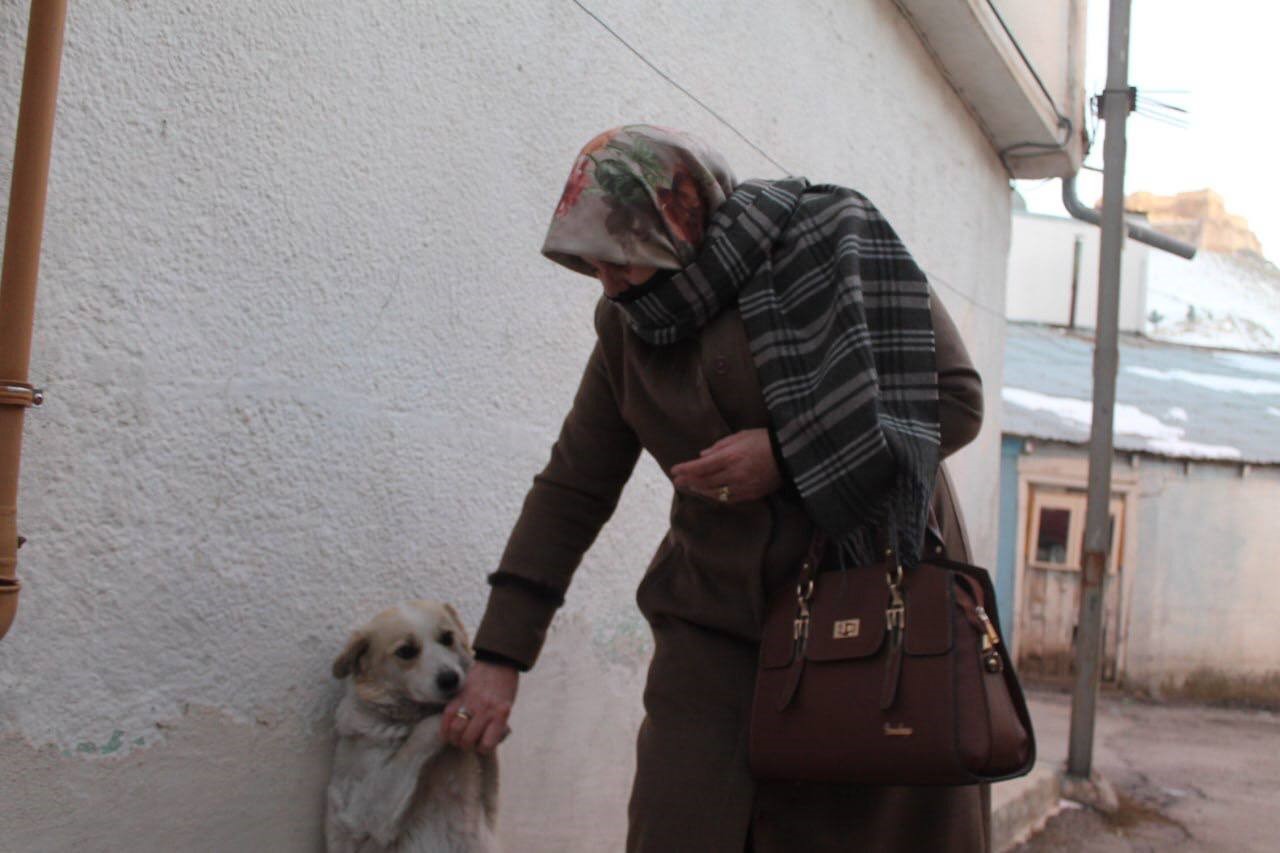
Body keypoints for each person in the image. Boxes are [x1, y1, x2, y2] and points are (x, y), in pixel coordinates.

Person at [440, 125, 987, 851]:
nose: (608, 284)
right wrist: (501, 654)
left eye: (622, 257)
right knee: (681, 823)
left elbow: (952, 398)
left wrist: (789, 456)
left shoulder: (828, 243)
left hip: (862, 615)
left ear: (680, 218)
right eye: (590, 261)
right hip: (714, 629)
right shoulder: (628, 327)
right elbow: (573, 486)